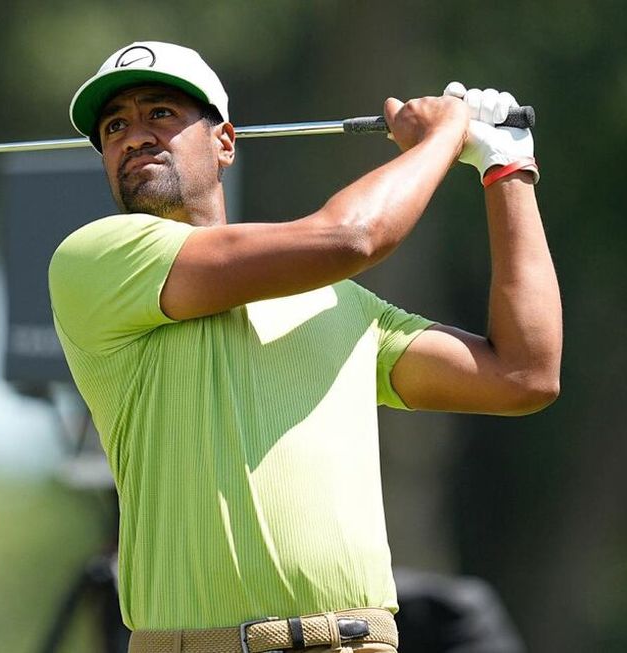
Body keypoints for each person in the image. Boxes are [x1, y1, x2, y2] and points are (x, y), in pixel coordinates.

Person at [48, 41, 561, 653]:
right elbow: (354, 235)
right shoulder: (94, 259)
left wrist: (506, 169)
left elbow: (523, 376)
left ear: (225, 142)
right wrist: (442, 139)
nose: (134, 136)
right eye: (114, 127)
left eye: (160, 114)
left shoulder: (340, 303)